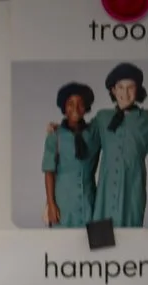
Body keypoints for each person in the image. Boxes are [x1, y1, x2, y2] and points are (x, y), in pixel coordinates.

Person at [92, 63, 148, 227]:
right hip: (105, 197)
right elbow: (82, 134)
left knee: (130, 247)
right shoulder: (102, 118)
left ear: (137, 90)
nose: (125, 93)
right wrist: (59, 128)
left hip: (131, 194)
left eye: (130, 87)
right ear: (113, 90)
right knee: (101, 247)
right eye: (120, 87)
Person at [45, 82, 100, 227]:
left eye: (80, 104)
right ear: (64, 108)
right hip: (64, 204)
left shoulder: (94, 133)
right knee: (63, 246)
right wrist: (51, 204)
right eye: (70, 103)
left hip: (89, 202)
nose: (75, 108)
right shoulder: (55, 136)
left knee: (91, 246)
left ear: (86, 108)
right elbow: (49, 172)